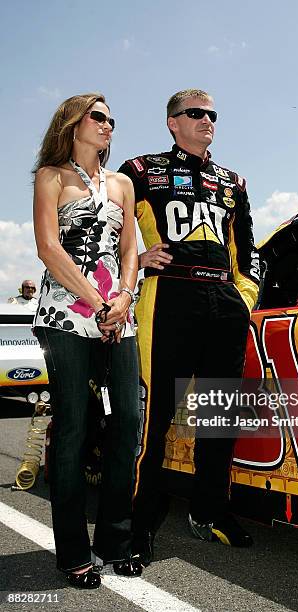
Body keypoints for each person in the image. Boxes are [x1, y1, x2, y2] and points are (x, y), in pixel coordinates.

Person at [118, 88, 260, 565]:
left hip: (223, 303)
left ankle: (211, 512)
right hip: (168, 301)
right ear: (172, 122)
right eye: (195, 113)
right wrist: (135, 260)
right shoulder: (140, 170)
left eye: (212, 114)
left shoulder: (233, 180)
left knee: (219, 420)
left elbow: (248, 252)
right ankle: (136, 526)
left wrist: (243, 299)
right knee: (153, 421)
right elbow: (99, 228)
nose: (207, 120)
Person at [32, 93, 142, 589]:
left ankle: (116, 542)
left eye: (112, 120)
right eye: (98, 116)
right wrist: (96, 304)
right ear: (72, 123)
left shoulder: (121, 184)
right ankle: (74, 552)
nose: (108, 125)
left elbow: (129, 250)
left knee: (127, 424)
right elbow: (49, 248)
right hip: (67, 315)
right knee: (75, 430)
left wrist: (121, 299)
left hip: (120, 316)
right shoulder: (51, 177)